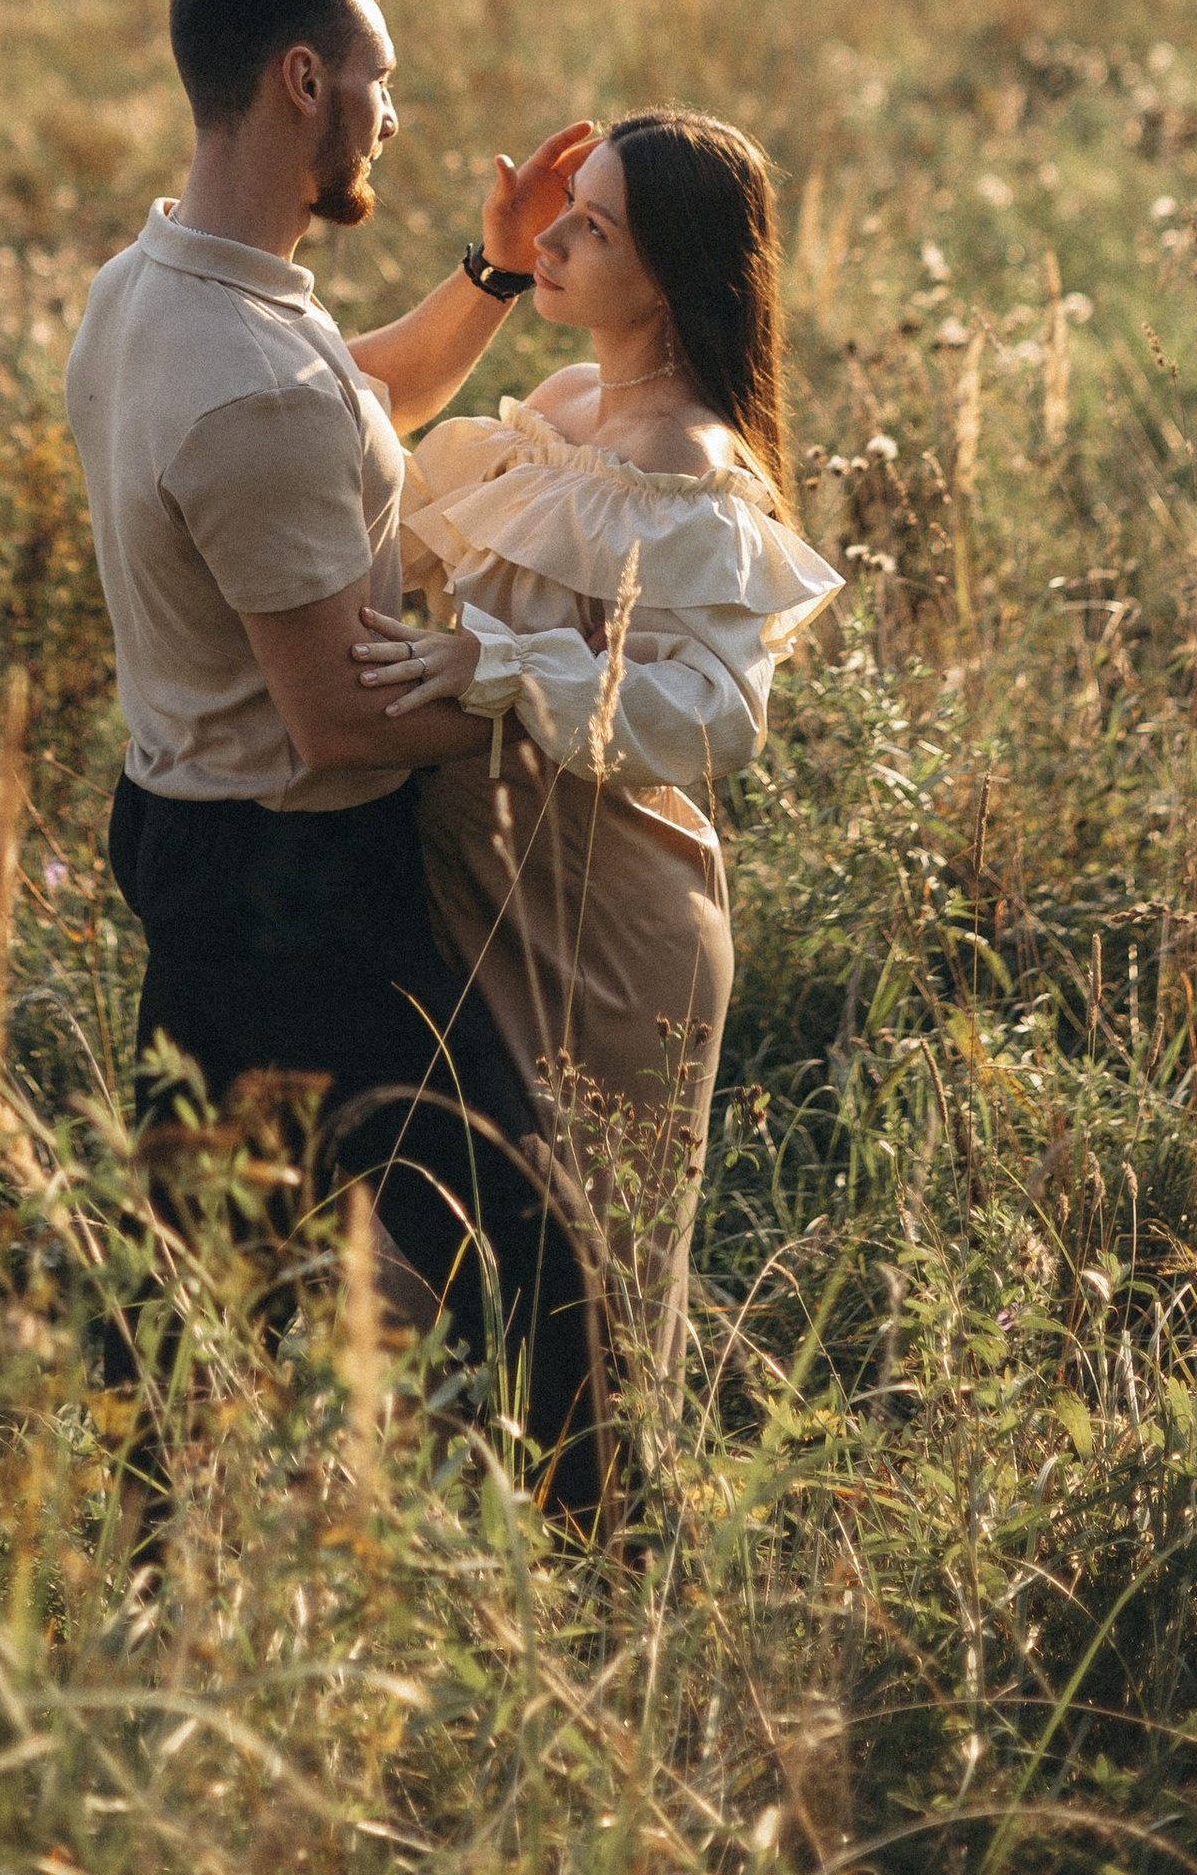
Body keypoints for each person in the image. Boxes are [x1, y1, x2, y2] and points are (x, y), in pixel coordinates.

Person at [65, 0, 605, 1490]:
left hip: (183, 830)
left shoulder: (157, 287)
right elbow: (346, 726)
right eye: (380, 79)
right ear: (305, 79)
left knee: (190, 1284)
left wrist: (497, 269)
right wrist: (553, 688)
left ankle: (137, 1567)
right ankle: (613, 1600)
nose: (395, 113)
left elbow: (351, 406)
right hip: (297, 888)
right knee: (534, 1259)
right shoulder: (251, 388)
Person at [351, 110, 841, 1414]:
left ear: (674, 272)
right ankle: (368, 1555)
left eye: (594, 226)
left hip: (606, 917)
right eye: (567, 207)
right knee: (392, 1232)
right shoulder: (566, 405)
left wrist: (499, 668)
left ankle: (620, 1586)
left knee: (600, 1291)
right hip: (467, 867)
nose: (558, 236)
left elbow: (709, 717)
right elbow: (392, 514)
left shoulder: (691, 467)